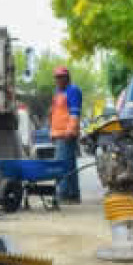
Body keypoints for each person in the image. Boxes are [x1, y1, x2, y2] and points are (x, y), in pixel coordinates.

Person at [50, 66, 83, 203]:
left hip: (66, 134)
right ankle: (73, 195)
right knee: (69, 165)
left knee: (62, 164)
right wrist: (52, 132)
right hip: (59, 134)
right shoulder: (58, 92)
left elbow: (75, 112)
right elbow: (55, 114)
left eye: (60, 77)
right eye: (56, 77)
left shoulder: (73, 90)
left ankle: (64, 194)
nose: (58, 80)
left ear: (67, 78)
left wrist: (70, 130)